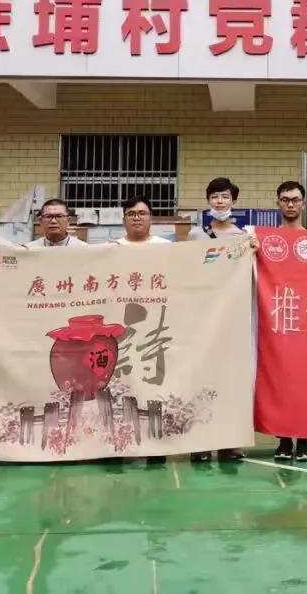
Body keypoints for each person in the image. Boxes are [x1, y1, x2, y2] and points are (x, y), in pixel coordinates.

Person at [187, 178, 249, 464]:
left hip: (233, 318)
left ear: (233, 201)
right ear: (208, 201)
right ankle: (201, 441)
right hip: (202, 318)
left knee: (230, 381)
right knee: (201, 378)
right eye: (214, 197)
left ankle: (229, 442)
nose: (220, 202)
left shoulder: (244, 237)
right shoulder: (195, 235)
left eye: (224, 197)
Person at [111, 195, 171, 466]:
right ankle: (121, 442)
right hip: (123, 329)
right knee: (123, 385)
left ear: (151, 217)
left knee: (154, 385)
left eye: (142, 213)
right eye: (131, 213)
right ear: (124, 218)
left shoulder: (166, 248)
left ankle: (156, 445)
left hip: (155, 327)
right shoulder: (111, 249)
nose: (137, 217)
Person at [273, 180, 307, 463]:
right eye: (285, 199)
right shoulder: (266, 240)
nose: (290, 204)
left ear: (303, 203)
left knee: (306, 383)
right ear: (278, 203)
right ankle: (284, 439)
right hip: (276, 322)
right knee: (280, 382)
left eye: (295, 199)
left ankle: (304, 441)